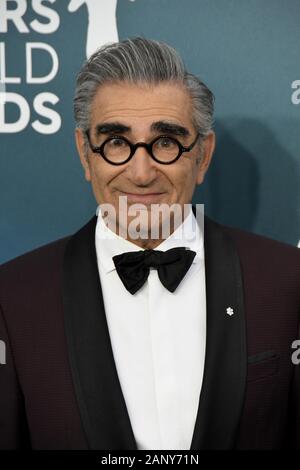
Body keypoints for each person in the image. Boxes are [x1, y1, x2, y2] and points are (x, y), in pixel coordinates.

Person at [0, 37, 299, 451]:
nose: (141, 174)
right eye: (117, 143)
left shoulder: (288, 281)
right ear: (86, 155)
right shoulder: (12, 297)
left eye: (165, 143)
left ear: (203, 156)